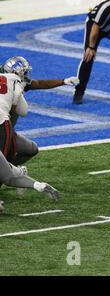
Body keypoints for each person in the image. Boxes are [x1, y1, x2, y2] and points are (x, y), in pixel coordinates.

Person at [0, 58, 59, 212]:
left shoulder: (12, 82)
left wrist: (38, 185)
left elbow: (8, 176)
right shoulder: (14, 83)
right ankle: (18, 170)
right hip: (3, 124)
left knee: (6, 170)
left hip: (4, 125)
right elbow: (23, 110)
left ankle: (18, 170)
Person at [2, 56, 79, 166]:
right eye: (23, 73)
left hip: (6, 130)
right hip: (3, 127)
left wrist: (64, 81)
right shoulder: (12, 84)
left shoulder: (12, 81)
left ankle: (8, 171)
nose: (25, 76)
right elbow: (21, 110)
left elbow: (37, 83)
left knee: (31, 149)